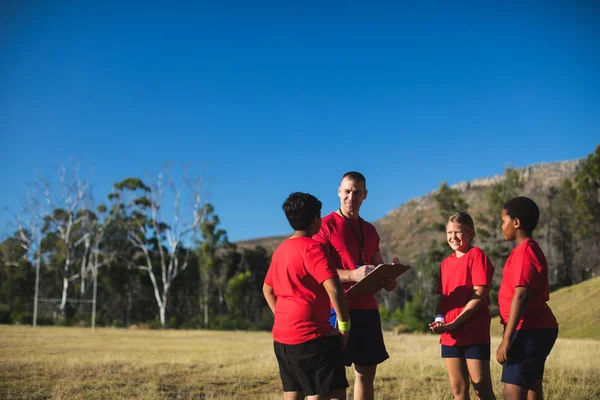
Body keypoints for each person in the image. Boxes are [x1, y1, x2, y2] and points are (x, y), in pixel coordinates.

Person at [313, 171, 398, 400]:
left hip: (368, 309)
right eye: (347, 191)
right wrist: (352, 274)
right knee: (332, 377)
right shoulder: (324, 226)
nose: (351, 197)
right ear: (339, 192)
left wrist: (388, 278)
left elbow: (377, 268)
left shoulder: (370, 230)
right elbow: (317, 271)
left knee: (366, 373)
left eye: (357, 192)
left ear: (365, 195)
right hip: (336, 309)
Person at [263, 192, 351, 400]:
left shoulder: (280, 250)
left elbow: (267, 289)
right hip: (312, 338)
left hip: (282, 338)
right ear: (315, 219)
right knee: (332, 392)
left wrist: (282, 315)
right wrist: (344, 326)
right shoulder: (314, 249)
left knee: (293, 391)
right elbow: (334, 288)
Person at [496, 196, 559, 400]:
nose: (501, 226)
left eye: (503, 221)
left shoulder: (525, 252)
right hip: (536, 328)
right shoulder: (527, 250)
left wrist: (507, 340)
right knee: (531, 387)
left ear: (516, 223)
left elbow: (521, 296)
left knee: (512, 392)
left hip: (529, 329)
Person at [429, 212, 495, 400]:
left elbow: (479, 295)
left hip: (474, 333)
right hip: (450, 336)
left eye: (458, 232)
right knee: (458, 390)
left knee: (482, 389)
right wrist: (440, 320)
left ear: (470, 233)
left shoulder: (477, 256)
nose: (453, 237)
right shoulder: (445, 264)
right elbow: (443, 300)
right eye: (449, 232)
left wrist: (454, 323)